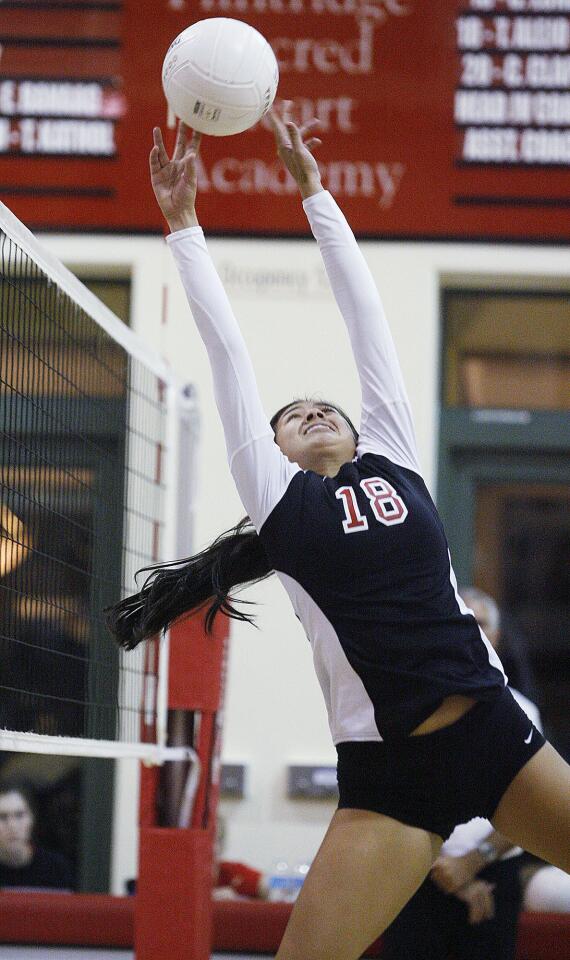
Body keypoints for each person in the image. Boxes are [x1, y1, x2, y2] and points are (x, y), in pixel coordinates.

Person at [106, 113, 570, 960]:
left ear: (360, 432)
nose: (311, 411)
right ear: (273, 448)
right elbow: (230, 358)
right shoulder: (282, 504)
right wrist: (183, 229)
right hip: (392, 778)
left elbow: (368, 324)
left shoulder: (395, 455)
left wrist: (315, 192)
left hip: (498, 736)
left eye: (325, 408)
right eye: (291, 416)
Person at [382, 586, 543, 960]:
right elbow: (396, 798)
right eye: (463, 621)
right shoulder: (411, 707)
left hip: (490, 876)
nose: (473, 631)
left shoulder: (522, 713)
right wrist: (452, 878)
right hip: (414, 874)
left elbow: (530, 806)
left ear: (497, 636)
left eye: (482, 623)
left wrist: (470, 865)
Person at [0, 781, 74, 890]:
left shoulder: (55, 869)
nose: (12, 826)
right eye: (2, 817)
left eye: (19, 815)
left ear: (32, 819)